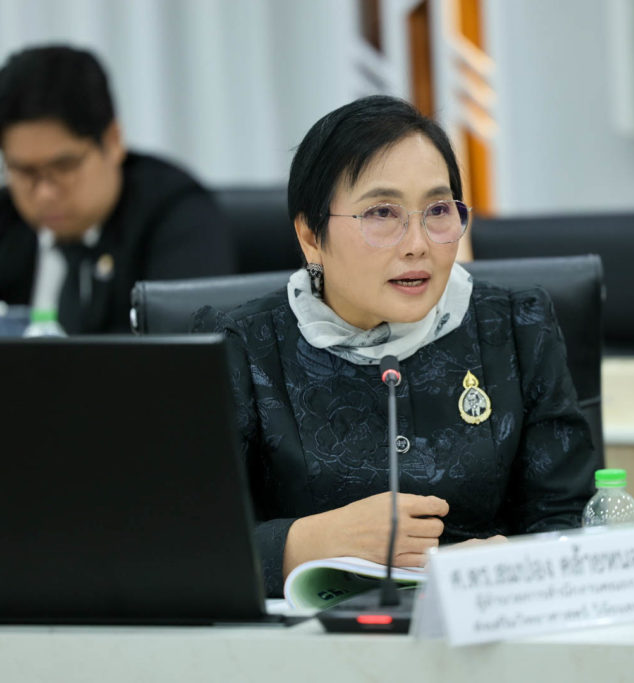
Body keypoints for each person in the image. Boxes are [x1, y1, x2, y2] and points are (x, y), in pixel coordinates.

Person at [194, 95, 596, 597]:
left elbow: (571, 522)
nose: (417, 244)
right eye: (382, 213)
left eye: (438, 210)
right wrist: (309, 542)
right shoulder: (240, 348)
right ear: (311, 236)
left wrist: (505, 566)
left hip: (484, 625)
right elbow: (185, 544)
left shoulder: (516, 328)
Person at [0, 45, 235, 333]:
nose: (44, 193)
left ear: (112, 141)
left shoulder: (177, 215)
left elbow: (183, 344)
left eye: (64, 167)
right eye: (23, 171)